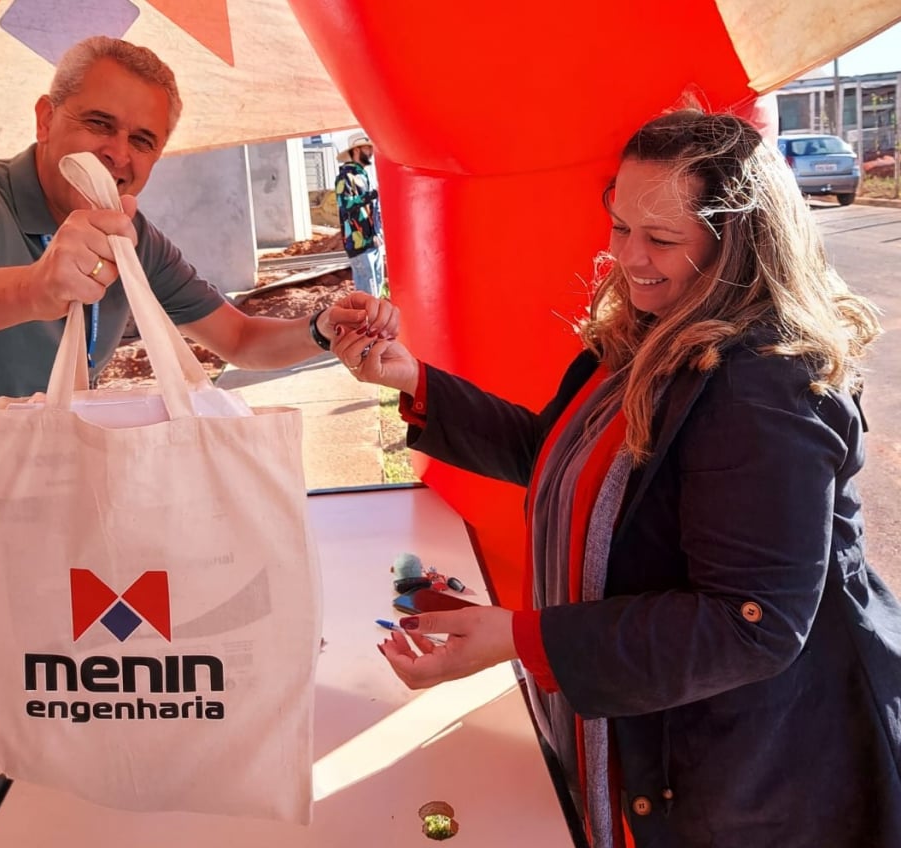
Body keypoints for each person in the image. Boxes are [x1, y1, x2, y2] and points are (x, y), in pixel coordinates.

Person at [0, 36, 396, 848]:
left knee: (77, 749)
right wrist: (35, 285)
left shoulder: (134, 238)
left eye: (142, 141)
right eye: (98, 124)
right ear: (46, 119)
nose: (118, 155)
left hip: (53, 537)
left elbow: (241, 339)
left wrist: (326, 330)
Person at [334, 108, 901, 846]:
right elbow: (558, 458)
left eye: (662, 238)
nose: (629, 258)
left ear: (737, 247)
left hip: (762, 775)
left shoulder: (763, 387)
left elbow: (749, 626)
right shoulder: (651, 334)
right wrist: (412, 377)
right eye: (620, 226)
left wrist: (523, 638)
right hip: (692, 744)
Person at [335, 131, 385, 298]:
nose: (370, 152)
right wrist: (372, 195)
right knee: (368, 294)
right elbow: (346, 204)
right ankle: (367, 323)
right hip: (359, 243)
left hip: (372, 241)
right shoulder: (345, 177)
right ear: (356, 151)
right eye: (366, 148)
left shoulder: (364, 176)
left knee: (375, 292)